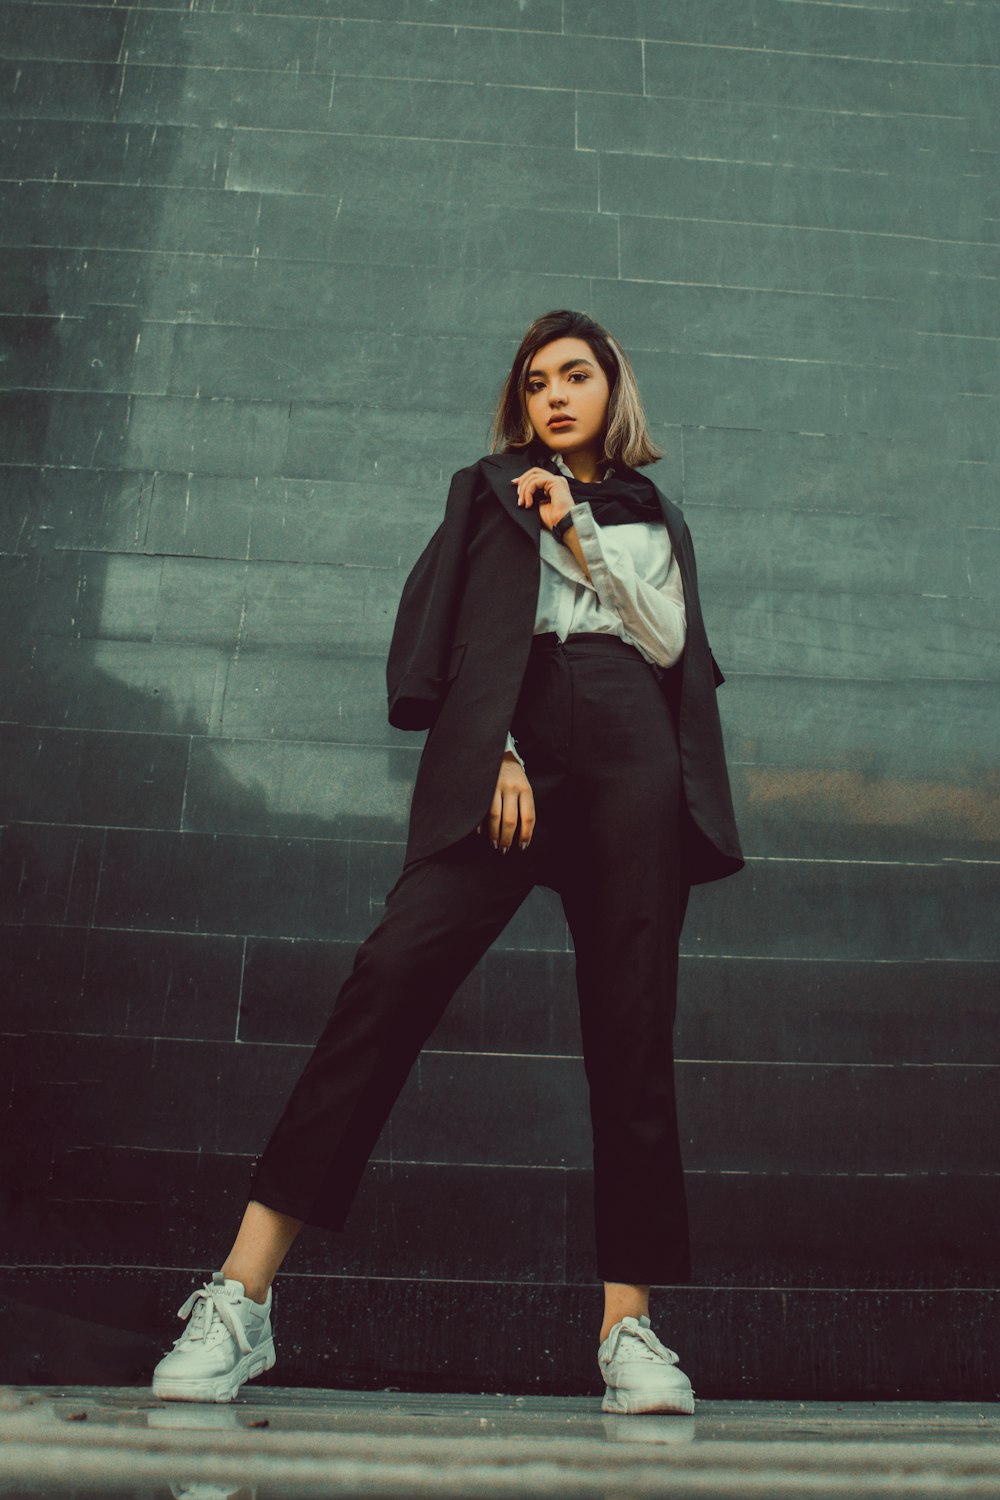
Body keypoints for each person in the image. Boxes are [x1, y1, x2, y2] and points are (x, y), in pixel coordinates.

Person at [151, 309, 744, 1414]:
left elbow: (667, 644)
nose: (556, 395)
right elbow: (447, 639)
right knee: (385, 985)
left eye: (577, 375)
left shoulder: (648, 515)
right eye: (535, 383)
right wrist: (498, 749)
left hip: (627, 753)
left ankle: (631, 1330)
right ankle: (240, 1301)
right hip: (510, 752)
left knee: (632, 1029)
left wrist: (579, 532)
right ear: (518, 405)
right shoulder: (483, 496)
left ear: (614, 391)